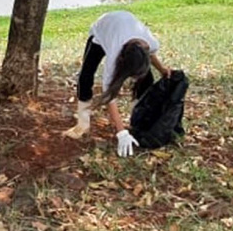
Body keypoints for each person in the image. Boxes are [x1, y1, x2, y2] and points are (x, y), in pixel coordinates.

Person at [63, 11, 172, 157]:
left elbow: (150, 54)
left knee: (147, 79)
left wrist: (162, 69)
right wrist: (121, 132)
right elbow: (109, 96)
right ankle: (82, 123)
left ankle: (139, 119)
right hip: (103, 29)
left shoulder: (151, 43)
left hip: (126, 25)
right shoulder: (114, 55)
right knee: (86, 75)